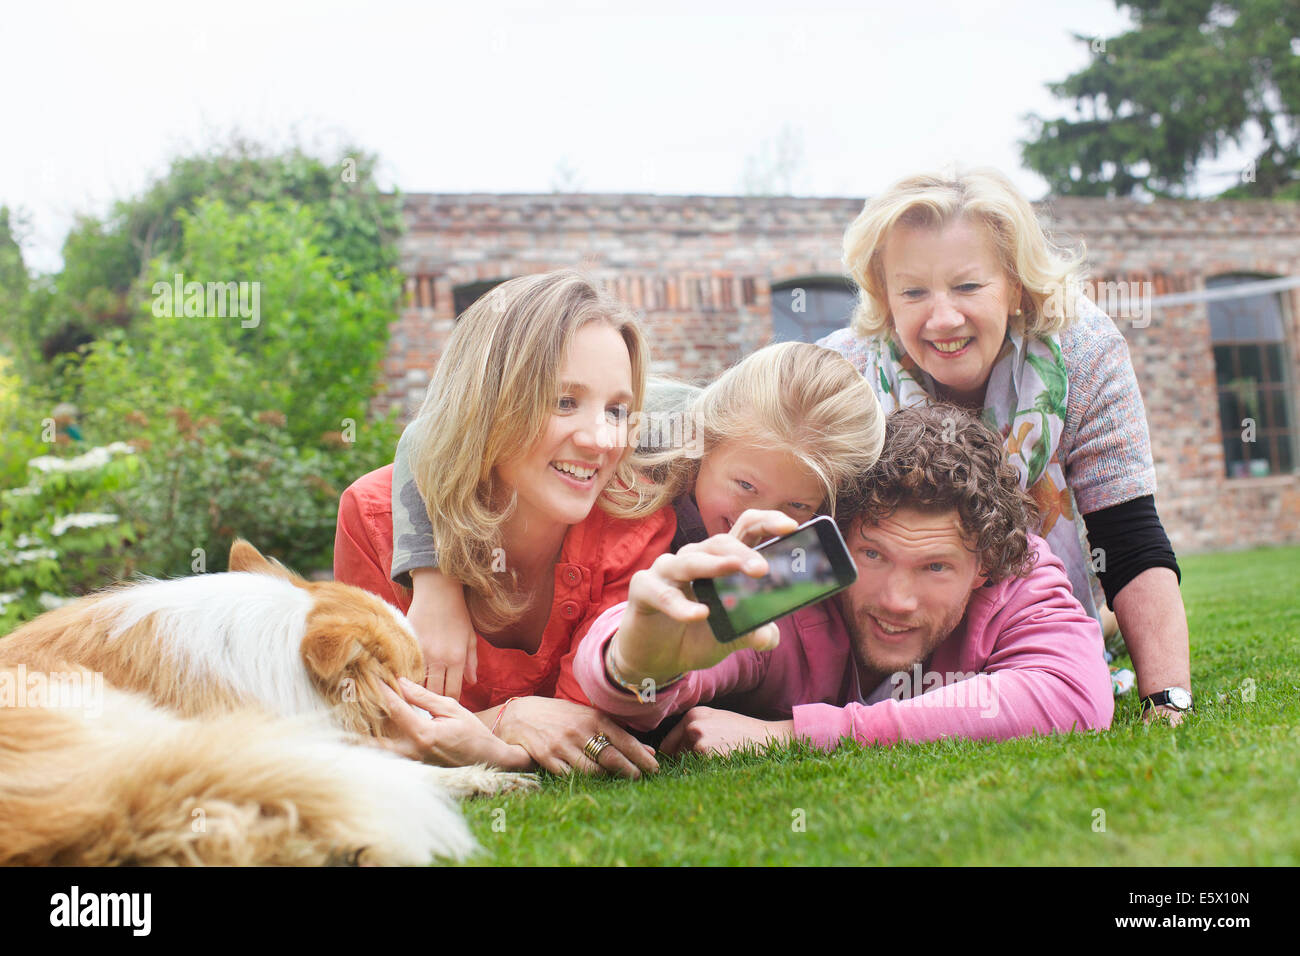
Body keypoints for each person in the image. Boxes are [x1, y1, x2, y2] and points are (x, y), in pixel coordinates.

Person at [818, 168, 1191, 723]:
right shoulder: (840, 374)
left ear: (1015, 285)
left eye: (968, 286)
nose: (943, 318)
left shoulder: (1082, 352)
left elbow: (1127, 533)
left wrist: (1166, 698)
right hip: (889, 624)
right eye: (913, 291)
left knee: (1079, 624)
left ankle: (1085, 627)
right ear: (884, 296)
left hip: (1029, 609)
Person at [571, 404, 1114, 755]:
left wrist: (793, 736)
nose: (896, 601)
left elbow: (1072, 696)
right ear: (835, 536)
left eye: (935, 567)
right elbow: (651, 674)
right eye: (872, 555)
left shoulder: (1016, 570)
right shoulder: (800, 573)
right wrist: (635, 664)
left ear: (984, 567)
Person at [393, 341, 887, 705]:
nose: (760, 516)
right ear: (704, 440)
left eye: (797, 507)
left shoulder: (819, 518)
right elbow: (426, 434)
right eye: (745, 487)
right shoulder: (656, 428)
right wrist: (436, 585)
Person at [334, 270, 668, 778]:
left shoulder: (636, 522)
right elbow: (370, 727)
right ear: (488, 402)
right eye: (564, 401)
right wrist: (507, 723)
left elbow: (587, 727)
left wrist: (492, 743)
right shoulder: (373, 518)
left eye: (617, 410)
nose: (602, 440)